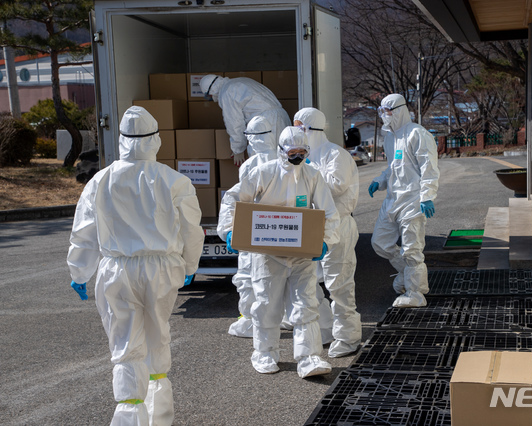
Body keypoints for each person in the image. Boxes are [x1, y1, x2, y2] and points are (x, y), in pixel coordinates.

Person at [67, 106, 205, 425]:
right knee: (158, 332)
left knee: (127, 340)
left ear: (121, 140)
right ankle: (161, 414)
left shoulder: (100, 181)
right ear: (155, 140)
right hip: (162, 269)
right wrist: (189, 265)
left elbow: (83, 233)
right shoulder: (175, 181)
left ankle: (130, 414)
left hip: (117, 269)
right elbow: (191, 229)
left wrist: (79, 272)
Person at [217, 126, 340, 378]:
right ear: (280, 150)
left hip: (302, 255)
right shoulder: (263, 173)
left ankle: (308, 357)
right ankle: (264, 353)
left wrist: (325, 240)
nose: (296, 156)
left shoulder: (312, 175)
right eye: (291, 152)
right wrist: (229, 230)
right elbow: (233, 199)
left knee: (306, 304)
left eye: (302, 152)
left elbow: (329, 212)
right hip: (267, 254)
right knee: (266, 305)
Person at [293, 107, 362, 358]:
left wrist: (310, 170)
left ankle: (348, 337)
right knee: (308, 281)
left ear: (311, 127)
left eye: (300, 126)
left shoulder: (336, 154)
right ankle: (326, 328)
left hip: (337, 225)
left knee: (339, 283)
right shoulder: (303, 155)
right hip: (312, 226)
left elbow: (336, 185)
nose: (296, 130)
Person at [368, 94, 440, 308]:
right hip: (392, 200)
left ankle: (416, 293)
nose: (384, 115)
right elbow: (393, 166)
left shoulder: (417, 134)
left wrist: (427, 197)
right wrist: (380, 180)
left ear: (399, 110)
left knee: (411, 248)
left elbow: (429, 169)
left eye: (388, 111)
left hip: (412, 200)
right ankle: (407, 273)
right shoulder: (390, 136)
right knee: (379, 243)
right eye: (382, 111)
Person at [227, 115, 277, 338]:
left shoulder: (249, 165)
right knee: (285, 278)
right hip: (282, 230)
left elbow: (241, 200)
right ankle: (283, 318)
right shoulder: (283, 159)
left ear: (251, 139)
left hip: (255, 229)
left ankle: (250, 321)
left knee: (248, 276)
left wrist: (231, 229)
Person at [199, 74, 291, 166]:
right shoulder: (241, 81)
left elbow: (235, 123)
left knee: (263, 163)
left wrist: (238, 149)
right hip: (282, 116)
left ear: (211, 91)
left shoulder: (226, 92)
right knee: (285, 159)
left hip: (263, 123)